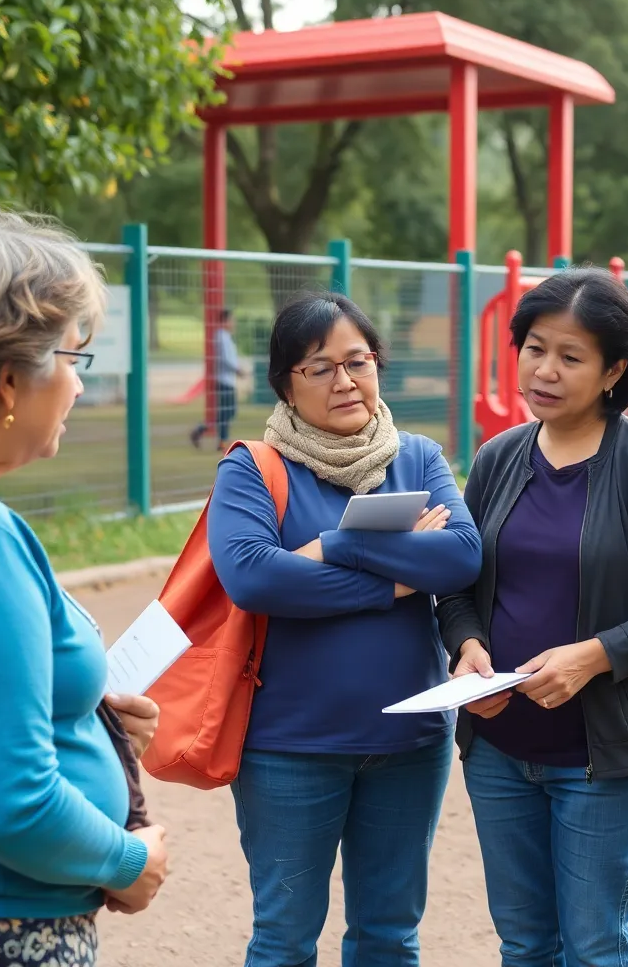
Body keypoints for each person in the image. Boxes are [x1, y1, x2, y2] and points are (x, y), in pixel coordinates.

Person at [436, 268, 628, 967]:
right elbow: (456, 585)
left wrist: (594, 654)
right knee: (524, 942)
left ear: (614, 372)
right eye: (535, 347)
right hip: (500, 749)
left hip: (604, 758)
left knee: (595, 945)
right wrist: (467, 644)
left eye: (571, 357)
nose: (545, 370)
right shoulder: (497, 459)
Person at [0, 204, 168, 966]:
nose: (79, 386)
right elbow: (9, 800)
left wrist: (83, 718)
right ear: (6, 382)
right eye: (71, 359)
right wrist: (130, 861)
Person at [206, 292, 482, 967]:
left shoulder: (416, 457)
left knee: (389, 935)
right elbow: (254, 578)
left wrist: (337, 545)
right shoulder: (252, 468)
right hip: (289, 746)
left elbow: (460, 555)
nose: (345, 381)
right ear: (285, 385)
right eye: (319, 367)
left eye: (358, 361)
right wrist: (396, 575)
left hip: (408, 740)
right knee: (284, 939)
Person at [190, 307, 246, 453]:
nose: (234, 323)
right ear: (225, 321)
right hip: (224, 381)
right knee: (226, 412)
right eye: (232, 320)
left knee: (225, 413)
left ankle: (206, 433)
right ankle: (218, 440)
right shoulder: (222, 337)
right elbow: (226, 359)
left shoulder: (224, 336)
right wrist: (238, 370)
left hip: (226, 380)